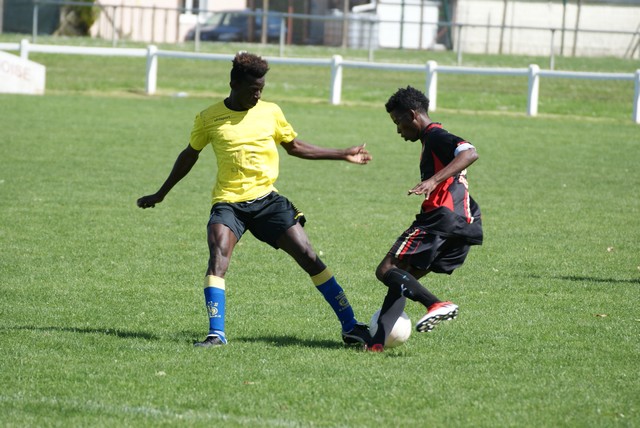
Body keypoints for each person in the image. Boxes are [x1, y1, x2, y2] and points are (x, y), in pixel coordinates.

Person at [137, 52, 372, 347]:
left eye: (261, 89)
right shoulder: (209, 118)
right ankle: (216, 334)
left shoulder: (271, 112)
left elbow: (295, 147)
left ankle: (350, 325)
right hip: (228, 203)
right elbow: (189, 155)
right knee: (218, 257)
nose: (257, 95)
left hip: (267, 201)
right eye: (252, 89)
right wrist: (161, 193)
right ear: (234, 84)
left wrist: (342, 153)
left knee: (309, 256)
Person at [366, 86, 483, 352]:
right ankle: (376, 343)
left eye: (398, 122)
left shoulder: (436, 136)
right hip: (464, 221)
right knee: (402, 280)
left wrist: (433, 180)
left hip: (441, 216)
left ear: (412, 115)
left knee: (385, 270)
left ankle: (436, 304)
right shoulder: (430, 140)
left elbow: (470, 153)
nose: (398, 130)